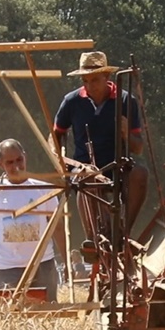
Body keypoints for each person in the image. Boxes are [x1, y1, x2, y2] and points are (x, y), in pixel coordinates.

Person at [52, 51, 149, 236]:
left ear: (107, 76)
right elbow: (56, 134)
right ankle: (95, 239)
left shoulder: (126, 100)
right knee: (87, 179)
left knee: (140, 175)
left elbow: (138, 148)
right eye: (85, 81)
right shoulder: (71, 101)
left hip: (117, 166)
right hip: (83, 168)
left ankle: (122, 233)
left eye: (94, 80)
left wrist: (126, 132)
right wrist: (60, 162)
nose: (89, 86)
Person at [0, 139, 67, 302]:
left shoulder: (44, 189)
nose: (16, 166)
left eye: (19, 160)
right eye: (9, 162)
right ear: (0, 164)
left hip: (42, 265)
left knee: (47, 313)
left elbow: (57, 228)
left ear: (25, 157)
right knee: (11, 314)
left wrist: (66, 261)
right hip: (7, 267)